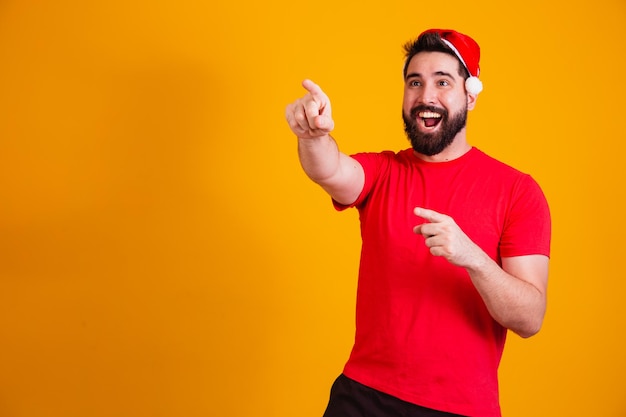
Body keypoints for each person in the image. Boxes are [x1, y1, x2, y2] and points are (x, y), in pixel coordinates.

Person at [284, 28, 551, 417]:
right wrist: (311, 136)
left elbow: (530, 318)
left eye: (442, 82)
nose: (426, 96)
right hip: (363, 396)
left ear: (470, 95)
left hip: (460, 408)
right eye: (415, 82)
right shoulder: (384, 171)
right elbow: (331, 170)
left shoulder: (518, 191)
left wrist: (472, 257)